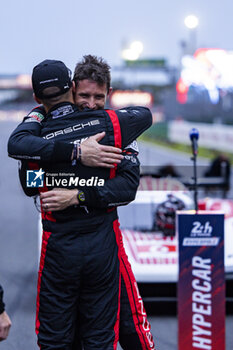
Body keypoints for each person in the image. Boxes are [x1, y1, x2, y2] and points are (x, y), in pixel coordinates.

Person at [8, 59, 155, 349]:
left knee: (126, 327)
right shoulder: (113, 126)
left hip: (94, 240)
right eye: (84, 96)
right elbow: (31, 185)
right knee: (87, 338)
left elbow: (127, 187)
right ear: (72, 89)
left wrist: (76, 193)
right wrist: (75, 153)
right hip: (78, 243)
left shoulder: (40, 133)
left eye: (98, 97)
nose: (89, 104)